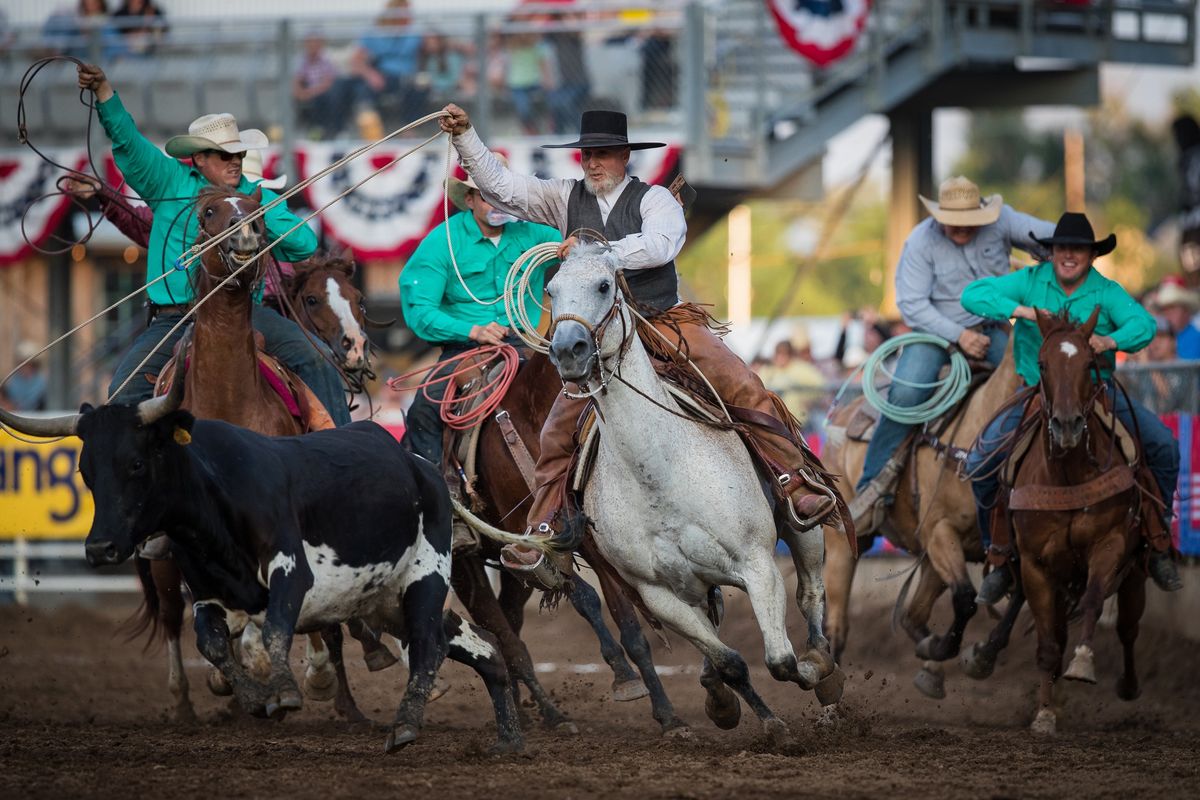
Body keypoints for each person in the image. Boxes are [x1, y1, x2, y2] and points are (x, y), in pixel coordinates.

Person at [438, 103, 840, 559]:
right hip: (596, 333)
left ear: (625, 156)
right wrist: (466, 136)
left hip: (661, 320)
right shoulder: (563, 196)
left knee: (740, 382)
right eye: (587, 154)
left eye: (604, 153)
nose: (593, 162)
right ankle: (544, 522)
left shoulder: (655, 200)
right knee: (555, 427)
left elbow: (660, 245)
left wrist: (593, 250)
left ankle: (793, 480)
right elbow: (504, 187)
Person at [75, 62, 350, 426]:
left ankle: (344, 456)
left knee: (316, 362)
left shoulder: (256, 197)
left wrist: (257, 210)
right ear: (200, 159)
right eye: (225, 155)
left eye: (238, 155)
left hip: (245, 314)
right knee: (123, 391)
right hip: (174, 318)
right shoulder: (168, 183)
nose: (235, 162)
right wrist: (105, 93)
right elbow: (129, 141)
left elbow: (303, 244)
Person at [962, 211, 1182, 600]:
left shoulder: (1106, 290)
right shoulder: (1030, 282)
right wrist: (1025, 311)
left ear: (1091, 256)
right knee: (980, 463)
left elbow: (1144, 325)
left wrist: (1108, 342)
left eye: (1078, 250)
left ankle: (1158, 540)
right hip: (1035, 392)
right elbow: (973, 294)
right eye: (1062, 247)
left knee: (1163, 444)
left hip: (1096, 390)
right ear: (1050, 252)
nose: (1068, 254)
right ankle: (996, 555)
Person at [848, 176, 1056, 536]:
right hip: (935, 335)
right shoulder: (920, 242)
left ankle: (1044, 474)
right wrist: (959, 335)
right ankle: (873, 487)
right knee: (907, 394)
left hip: (992, 329)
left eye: (969, 221)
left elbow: (1047, 232)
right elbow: (912, 304)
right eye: (953, 220)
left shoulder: (1002, 220)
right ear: (939, 217)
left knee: (1039, 380)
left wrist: (1058, 251)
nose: (961, 227)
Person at [399, 152, 560, 553]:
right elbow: (420, 309)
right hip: (464, 349)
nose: (495, 203)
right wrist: (471, 329)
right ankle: (443, 507)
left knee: (578, 389)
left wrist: (573, 245)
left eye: (500, 194)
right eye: (485, 195)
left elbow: (571, 248)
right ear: (468, 200)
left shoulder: (536, 235)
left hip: (526, 343)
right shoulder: (442, 244)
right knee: (424, 412)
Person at [293, 32, 343, 140]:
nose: (312, 46)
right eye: (310, 42)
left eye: (315, 42)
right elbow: (297, 79)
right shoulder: (302, 60)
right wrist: (300, 92)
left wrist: (309, 93)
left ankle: (328, 130)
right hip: (309, 91)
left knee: (327, 98)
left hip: (323, 92)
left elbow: (328, 82)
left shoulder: (327, 59)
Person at [1152, 278, 1200, 359]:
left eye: (1172, 308)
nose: (1167, 314)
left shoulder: (1196, 337)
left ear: (1186, 310)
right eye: (1164, 309)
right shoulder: (1166, 335)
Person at [4, 342, 49, 412]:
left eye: (29, 364)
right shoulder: (11, 382)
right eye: (22, 363)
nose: (26, 367)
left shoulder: (42, 383)